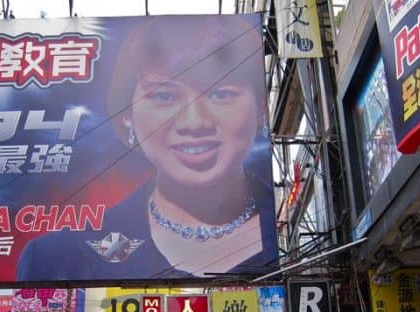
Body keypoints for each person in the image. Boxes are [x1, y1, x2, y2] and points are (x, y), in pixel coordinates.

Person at [16, 15, 277, 282]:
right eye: (165, 96)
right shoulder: (54, 258)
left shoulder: (293, 232)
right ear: (127, 114)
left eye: (220, 94)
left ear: (260, 109)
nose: (195, 122)